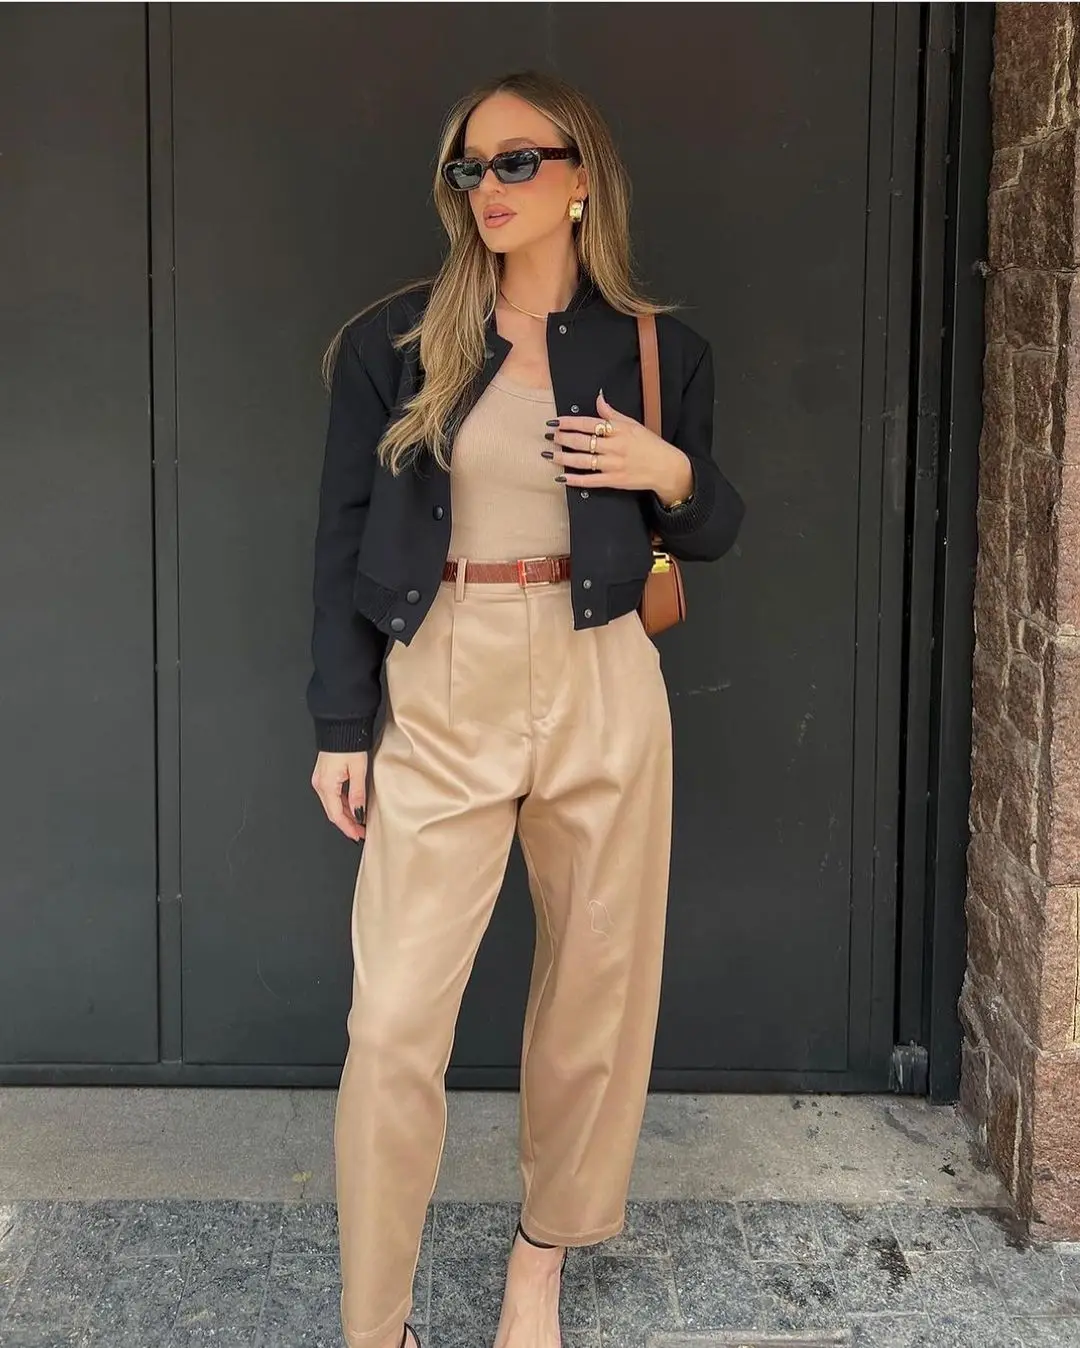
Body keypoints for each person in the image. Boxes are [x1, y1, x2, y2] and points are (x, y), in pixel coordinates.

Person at [307, 67, 745, 1348]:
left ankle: (538, 1267)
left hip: (601, 675)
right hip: (443, 676)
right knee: (393, 1019)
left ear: (579, 176)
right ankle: (374, 1324)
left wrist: (667, 468)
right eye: (469, 167)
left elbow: (713, 525)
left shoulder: (660, 351)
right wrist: (341, 725)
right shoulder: (397, 343)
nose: (487, 186)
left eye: (515, 161)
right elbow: (339, 540)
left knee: (595, 997)